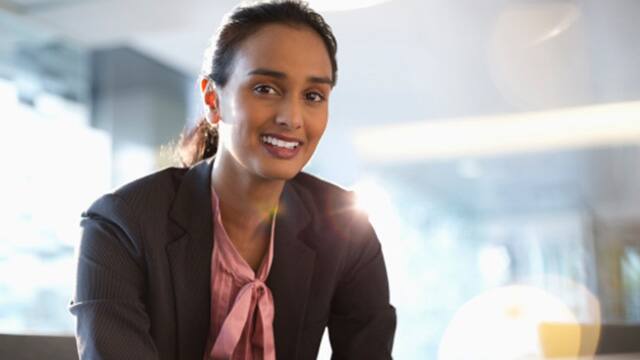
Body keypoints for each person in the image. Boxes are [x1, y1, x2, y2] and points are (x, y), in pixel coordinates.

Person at [69, 1, 396, 359]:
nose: (292, 117)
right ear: (213, 99)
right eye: (265, 89)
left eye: (313, 96)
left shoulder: (346, 230)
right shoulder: (121, 224)